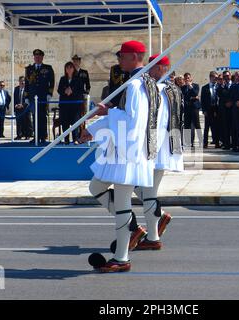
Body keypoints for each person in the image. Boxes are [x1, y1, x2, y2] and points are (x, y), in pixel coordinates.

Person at [80, 40, 160, 273]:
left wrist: (109, 111)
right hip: (127, 150)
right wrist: (93, 130)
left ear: (134, 56)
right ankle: (132, 230)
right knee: (97, 187)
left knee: (123, 204)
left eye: (122, 56)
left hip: (127, 152)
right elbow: (126, 116)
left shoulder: (136, 85)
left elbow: (132, 122)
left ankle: (121, 257)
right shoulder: (146, 83)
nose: (118, 60)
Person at [133, 53, 183, 250]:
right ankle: (158, 221)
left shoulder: (158, 89)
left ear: (162, 68)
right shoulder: (172, 88)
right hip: (164, 146)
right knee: (143, 189)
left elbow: (152, 119)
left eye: (153, 67)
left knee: (148, 192)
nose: (149, 70)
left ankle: (153, 238)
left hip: (155, 146)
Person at [24, 49, 55, 144]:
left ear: (42, 57)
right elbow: (27, 84)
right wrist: (26, 96)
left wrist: (49, 94)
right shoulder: (29, 69)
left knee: (42, 116)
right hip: (33, 97)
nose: (37, 58)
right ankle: (36, 136)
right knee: (34, 116)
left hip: (43, 96)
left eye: (39, 56)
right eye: (36, 56)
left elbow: (52, 82)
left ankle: (43, 136)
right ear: (34, 57)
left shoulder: (48, 68)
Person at [57, 61, 84, 145]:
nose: (69, 69)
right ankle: (66, 139)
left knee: (75, 122)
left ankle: (75, 138)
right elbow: (59, 90)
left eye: (70, 67)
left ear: (73, 69)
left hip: (75, 105)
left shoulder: (78, 79)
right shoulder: (62, 79)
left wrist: (72, 91)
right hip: (64, 105)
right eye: (67, 67)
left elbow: (81, 90)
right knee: (65, 122)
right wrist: (65, 91)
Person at [181, 73, 202, 147]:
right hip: (187, 108)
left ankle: (201, 141)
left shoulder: (195, 85)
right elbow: (184, 97)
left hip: (194, 108)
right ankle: (188, 142)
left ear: (191, 78)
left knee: (197, 124)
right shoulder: (183, 87)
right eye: (185, 78)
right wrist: (192, 98)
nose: (187, 79)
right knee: (187, 125)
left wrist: (191, 87)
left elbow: (195, 93)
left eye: (188, 78)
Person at [201, 71, 218, 148]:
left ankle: (217, 142)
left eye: (216, 77)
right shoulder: (205, 88)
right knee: (206, 127)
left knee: (216, 127)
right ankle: (205, 143)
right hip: (208, 110)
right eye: (214, 77)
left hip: (216, 110)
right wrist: (204, 110)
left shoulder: (218, 87)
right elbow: (203, 100)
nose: (216, 79)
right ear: (211, 77)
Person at [217, 70, 234, 150]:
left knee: (234, 128)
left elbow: (236, 95)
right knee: (225, 128)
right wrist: (222, 86)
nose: (226, 78)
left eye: (227, 76)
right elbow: (219, 95)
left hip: (233, 110)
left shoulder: (234, 85)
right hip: (224, 109)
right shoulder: (220, 86)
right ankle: (226, 144)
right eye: (224, 76)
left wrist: (231, 102)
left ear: (230, 76)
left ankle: (234, 144)